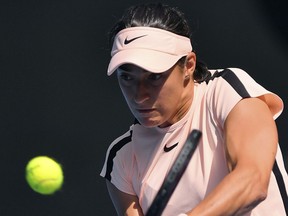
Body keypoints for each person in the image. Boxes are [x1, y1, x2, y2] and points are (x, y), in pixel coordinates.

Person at [100, 3, 287, 216]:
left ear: (189, 65)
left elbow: (253, 182)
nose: (139, 95)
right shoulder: (122, 157)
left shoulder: (226, 91)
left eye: (154, 77)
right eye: (126, 77)